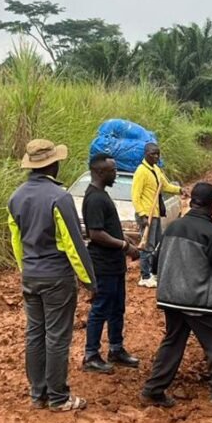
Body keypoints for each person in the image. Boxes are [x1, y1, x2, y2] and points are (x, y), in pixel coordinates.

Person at [140, 183, 212, 407]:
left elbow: (153, 263)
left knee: (173, 341)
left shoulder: (173, 227)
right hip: (198, 299)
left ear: (191, 202)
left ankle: (154, 389)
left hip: (170, 297)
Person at [8, 139, 96, 411]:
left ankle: (38, 395)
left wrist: (27, 271)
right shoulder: (60, 198)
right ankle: (58, 397)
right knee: (57, 337)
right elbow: (73, 243)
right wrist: (89, 280)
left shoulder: (16, 197)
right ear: (53, 165)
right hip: (56, 277)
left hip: (31, 275)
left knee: (35, 334)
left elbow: (16, 241)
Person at [82, 153, 141, 374]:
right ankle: (91, 355)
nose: (115, 173)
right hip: (103, 265)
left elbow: (107, 229)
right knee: (101, 309)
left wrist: (125, 238)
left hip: (114, 264)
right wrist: (125, 247)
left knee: (117, 308)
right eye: (112, 170)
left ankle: (116, 349)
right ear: (99, 172)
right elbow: (96, 234)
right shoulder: (95, 198)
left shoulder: (101, 195)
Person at [131, 143, 183, 288]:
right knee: (147, 245)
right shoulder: (141, 171)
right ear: (146, 154)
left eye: (157, 154)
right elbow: (135, 196)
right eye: (153, 154)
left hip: (155, 214)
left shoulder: (156, 169)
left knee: (157, 243)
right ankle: (145, 275)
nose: (156, 156)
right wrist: (141, 214)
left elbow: (165, 186)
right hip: (146, 214)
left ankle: (152, 272)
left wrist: (180, 190)